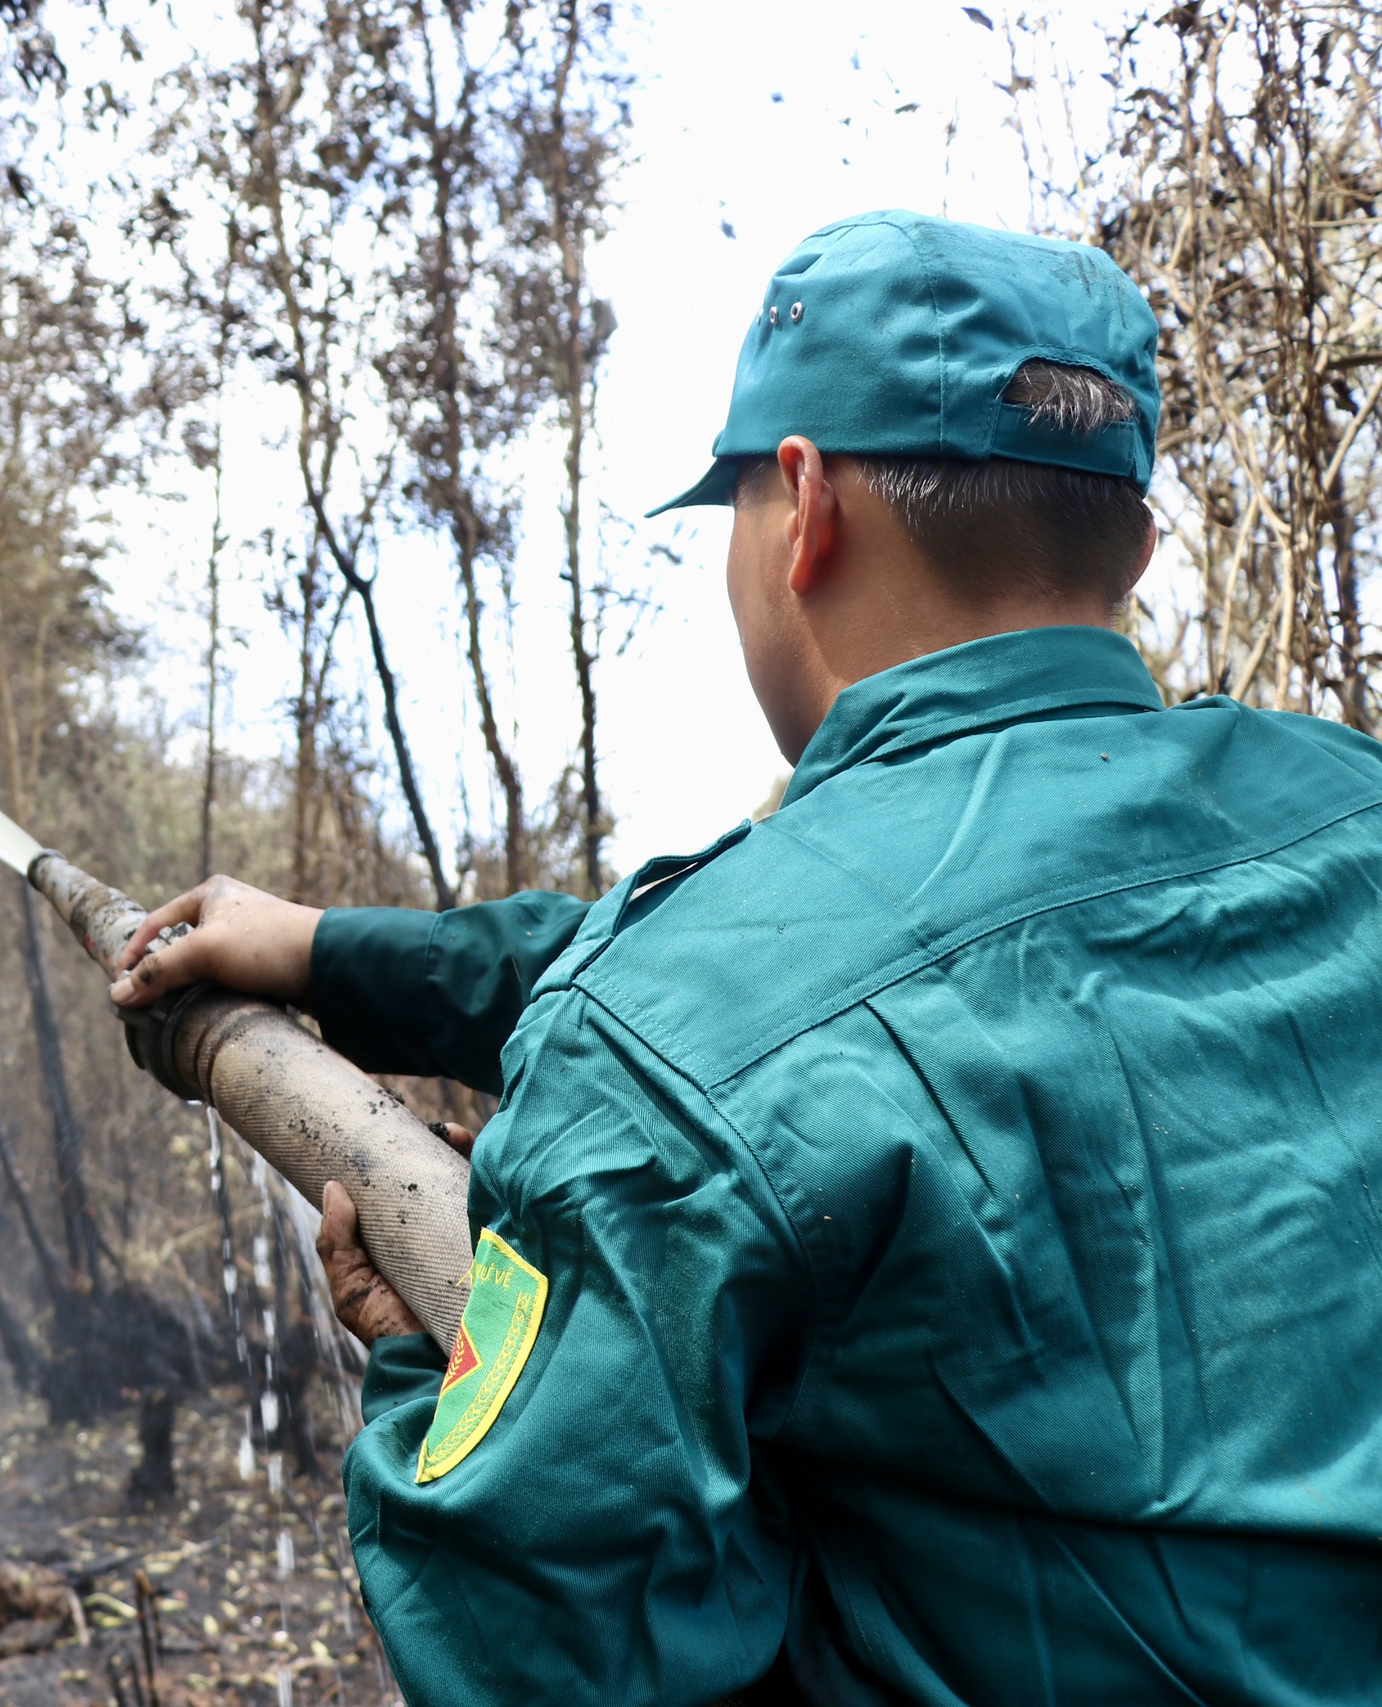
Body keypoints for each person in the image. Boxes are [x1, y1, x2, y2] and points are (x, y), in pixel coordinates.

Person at [108, 210, 1382, 1705]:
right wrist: (328, 952)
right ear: (1135, 542)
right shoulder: (1346, 811)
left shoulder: (674, 1028)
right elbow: (776, 994)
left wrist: (430, 1371)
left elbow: (546, 1639)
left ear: (802, 505)